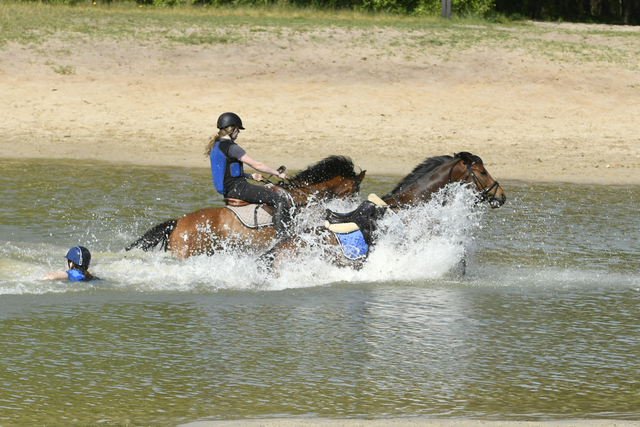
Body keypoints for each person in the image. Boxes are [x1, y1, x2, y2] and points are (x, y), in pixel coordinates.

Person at [205, 112, 293, 241]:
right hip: (239, 189)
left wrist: (251, 176)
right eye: (237, 130)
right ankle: (283, 240)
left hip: (229, 190)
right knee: (280, 200)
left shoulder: (216, 145)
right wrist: (278, 173)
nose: (238, 133)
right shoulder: (232, 148)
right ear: (232, 129)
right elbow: (257, 165)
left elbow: (226, 172)